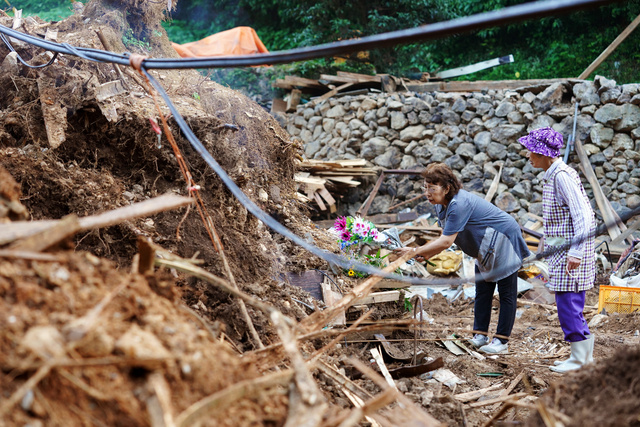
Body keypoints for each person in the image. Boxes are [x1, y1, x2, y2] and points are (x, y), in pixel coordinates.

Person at [396, 163, 531, 354]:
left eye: (432, 188)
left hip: (503, 238)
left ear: (447, 188)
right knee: (483, 289)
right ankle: (480, 335)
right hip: (485, 244)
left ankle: (501, 341)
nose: (427, 193)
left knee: (506, 292)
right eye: (425, 187)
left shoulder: (459, 204)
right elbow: (446, 236)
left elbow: (445, 241)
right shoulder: (442, 205)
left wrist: (415, 250)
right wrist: (424, 254)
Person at [518, 127, 596, 372]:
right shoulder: (554, 174)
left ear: (545, 154)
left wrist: (576, 252)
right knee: (567, 303)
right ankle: (582, 357)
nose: (528, 156)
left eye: (532, 151)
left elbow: (583, 214)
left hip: (570, 251)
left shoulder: (561, 176)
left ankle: (580, 359)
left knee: (569, 303)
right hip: (561, 249)